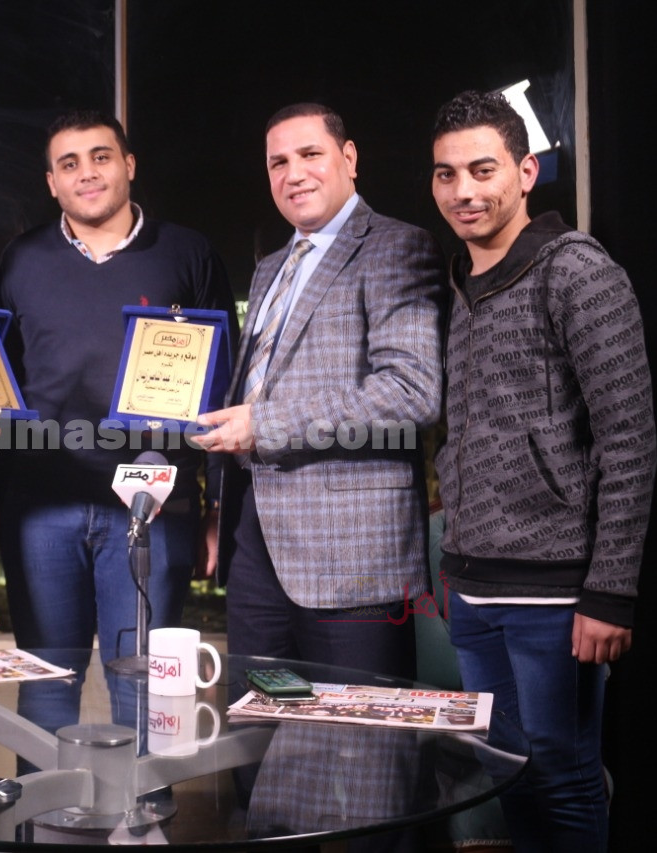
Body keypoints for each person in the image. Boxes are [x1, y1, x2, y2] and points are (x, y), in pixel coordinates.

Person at [429, 89, 655, 851]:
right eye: (447, 174)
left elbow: (630, 439)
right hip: (475, 589)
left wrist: (611, 591)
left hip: (556, 593)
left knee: (563, 774)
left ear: (525, 172)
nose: (464, 190)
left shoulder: (578, 271)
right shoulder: (463, 282)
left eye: (483, 169)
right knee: (508, 773)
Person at [194, 103, 444, 680]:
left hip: (352, 555)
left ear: (349, 158)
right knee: (255, 725)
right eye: (278, 162)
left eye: (310, 154)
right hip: (255, 546)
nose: (294, 173)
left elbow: (411, 391)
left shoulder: (396, 247)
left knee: (355, 734)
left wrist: (264, 426)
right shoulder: (270, 267)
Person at [0, 109, 235, 665]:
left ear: (129, 165)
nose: (87, 173)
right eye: (69, 164)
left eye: (101, 157)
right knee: (45, 689)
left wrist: (217, 506)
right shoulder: (22, 258)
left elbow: (222, 389)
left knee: (143, 692)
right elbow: (3, 387)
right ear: (52, 182)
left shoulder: (188, 253)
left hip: (155, 507)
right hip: (41, 509)